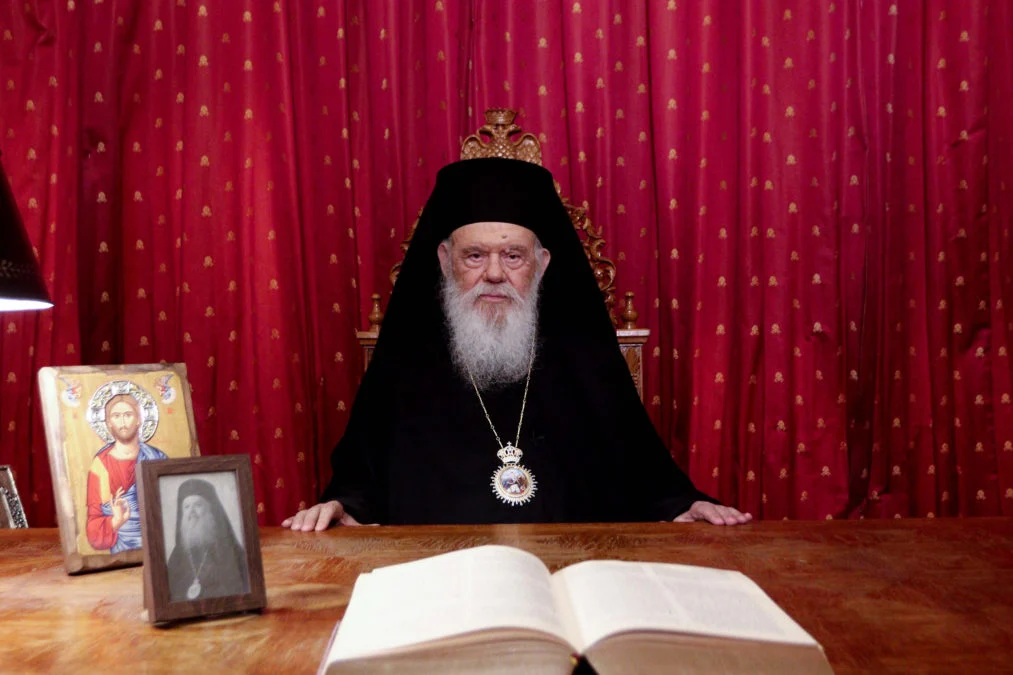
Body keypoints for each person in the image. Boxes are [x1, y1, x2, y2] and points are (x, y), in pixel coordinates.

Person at [283, 158, 751, 529]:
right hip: (439, 583)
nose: (494, 273)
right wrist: (343, 506)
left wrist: (681, 504)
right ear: (445, 260)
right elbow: (361, 480)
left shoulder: (585, 358)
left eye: (512, 256)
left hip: (570, 579)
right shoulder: (406, 361)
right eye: (474, 255)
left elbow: (641, 469)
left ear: (542, 264)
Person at [85, 393, 168, 553]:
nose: (123, 422)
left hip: (159, 547)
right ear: (108, 423)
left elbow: (171, 505)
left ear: (139, 419)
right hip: (122, 554)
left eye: (128, 415)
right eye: (116, 416)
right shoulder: (101, 465)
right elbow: (93, 530)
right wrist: (116, 521)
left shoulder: (157, 458)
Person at [166, 478, 249, 602]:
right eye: (187, 507)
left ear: (210, 510)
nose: (191, 512)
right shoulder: (177, 556)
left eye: (198, 505)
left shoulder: (229, 550)